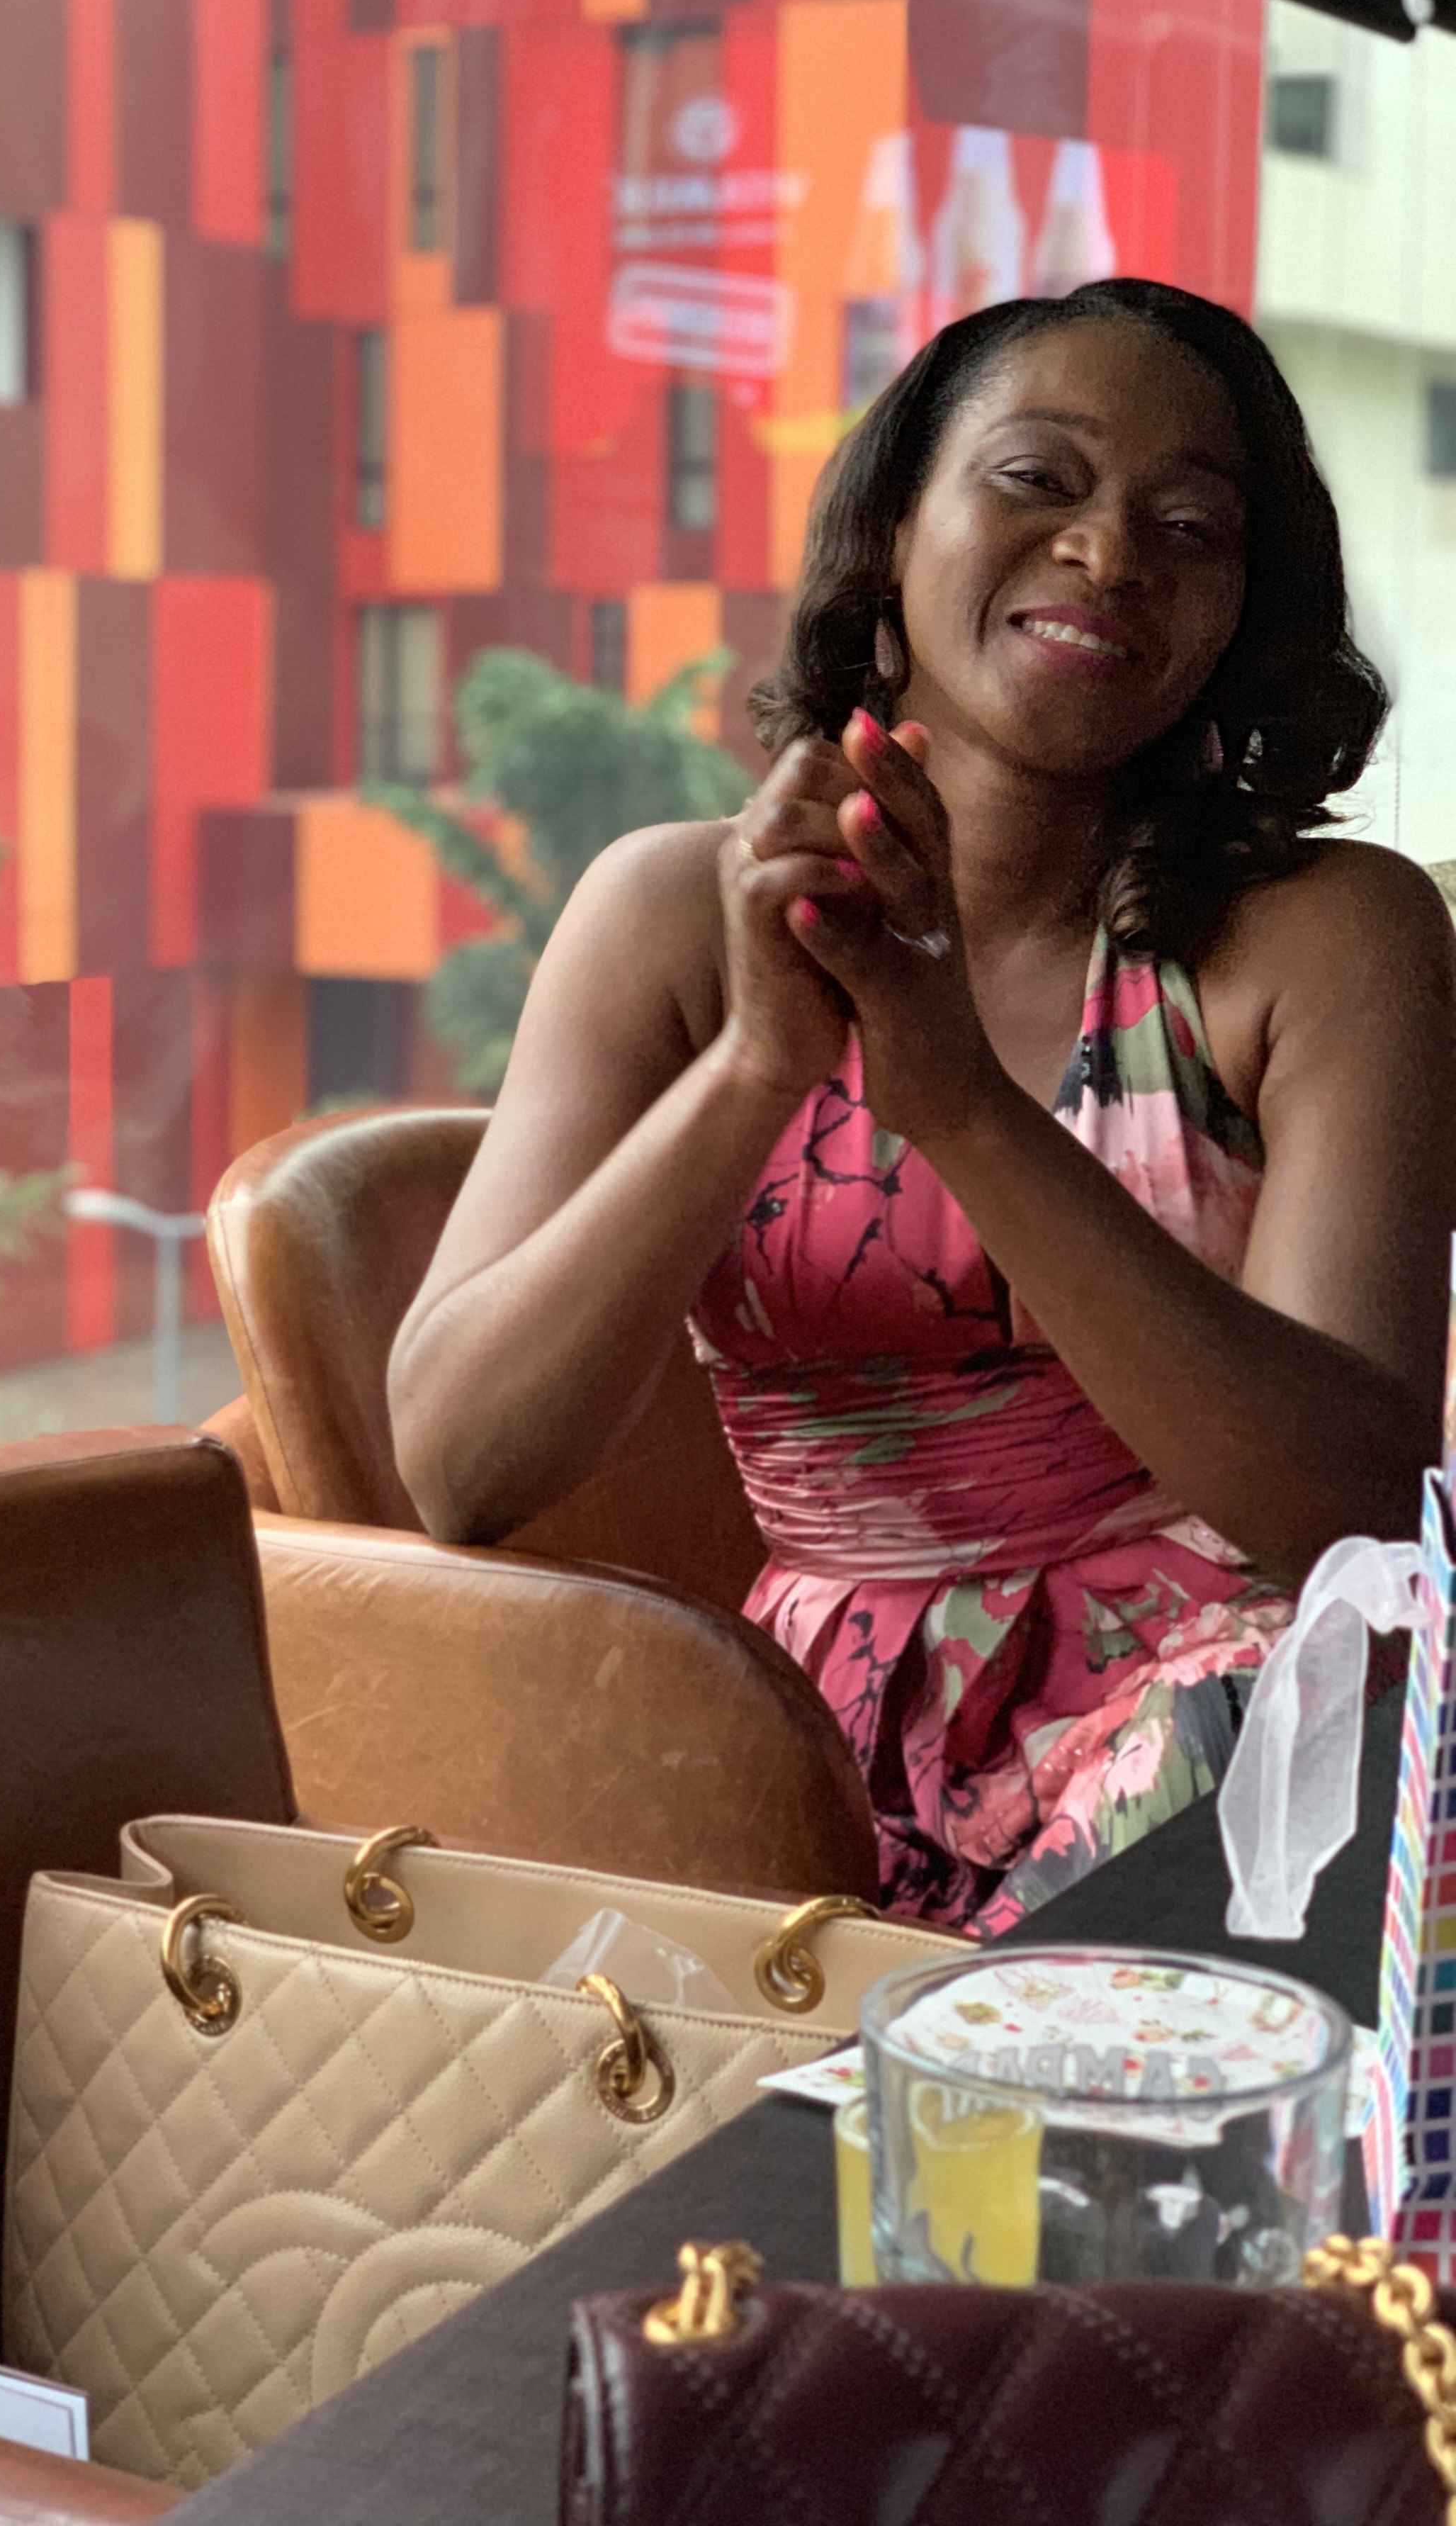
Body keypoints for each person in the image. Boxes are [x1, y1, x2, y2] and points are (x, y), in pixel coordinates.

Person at [388, 280, 1456, 1932]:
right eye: (1039, 479)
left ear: (1240, 615)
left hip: (1245, 1747)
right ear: (896, 528)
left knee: (1224, 1754)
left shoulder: (1330, 937)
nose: (1108, 552)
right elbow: (460, 1468)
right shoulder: (670, 916)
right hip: (798, 1756)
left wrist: (959, 1105)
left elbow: (1353, 1510)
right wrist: (758, 1064)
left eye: (1190, 525)